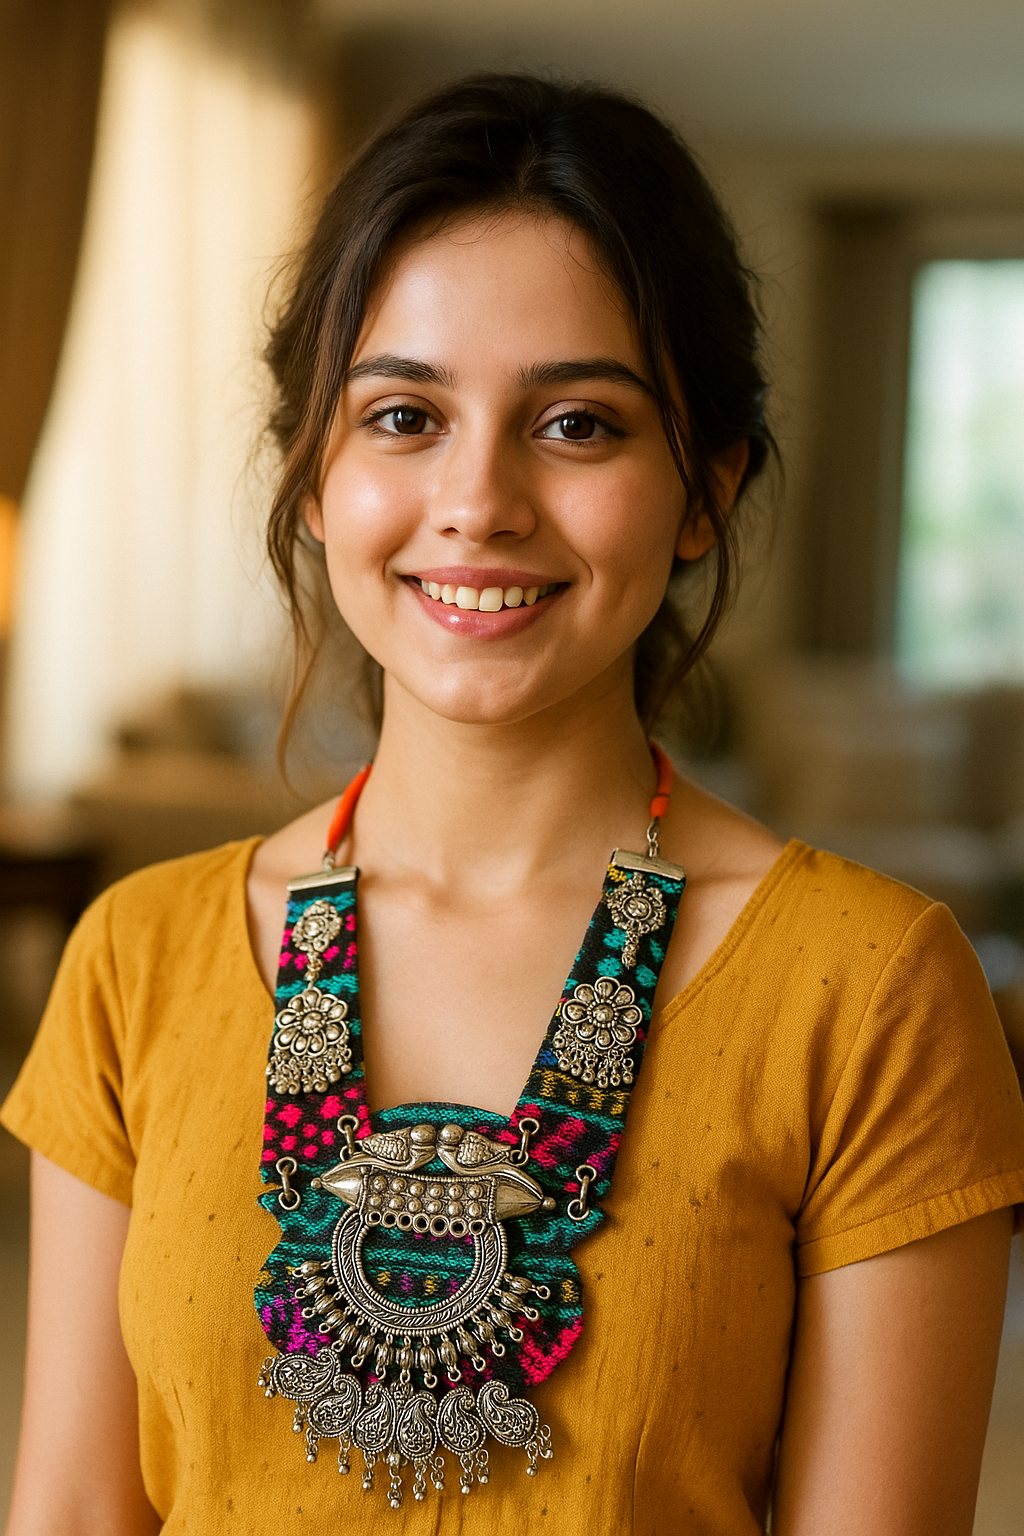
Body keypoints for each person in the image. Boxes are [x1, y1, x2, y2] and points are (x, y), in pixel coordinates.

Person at [3, 73, 1024, 1536]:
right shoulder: (136, 958)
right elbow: (73, 1510)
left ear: (705, 489)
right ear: (313, 478)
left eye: (579, 424)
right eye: (404, 415)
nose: (479, 499)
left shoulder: (870, 992)